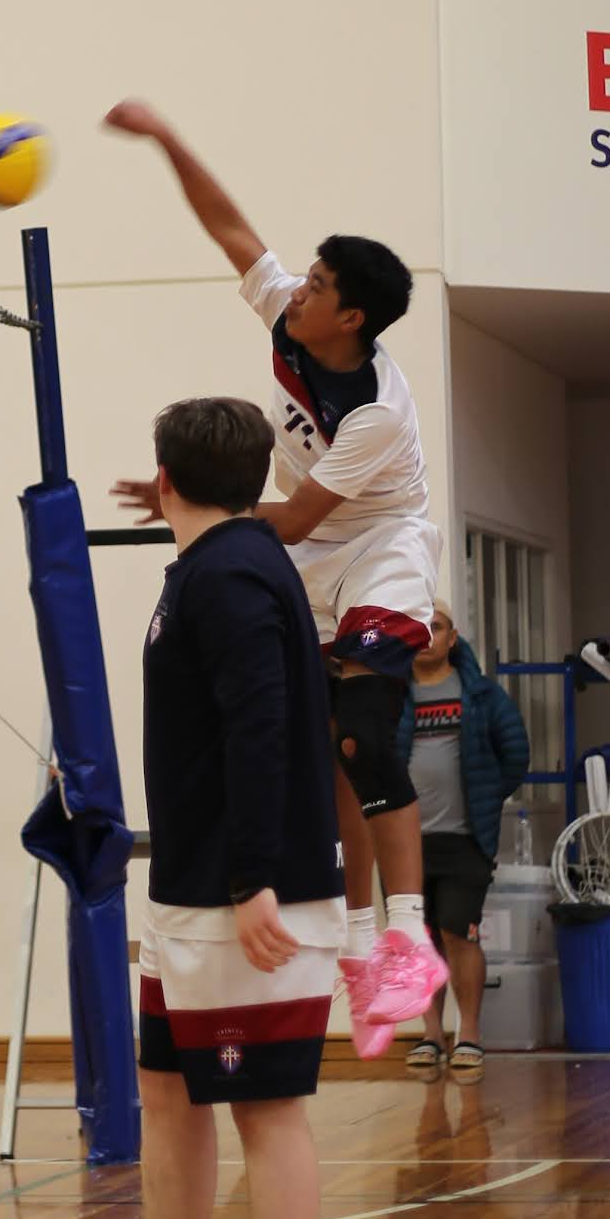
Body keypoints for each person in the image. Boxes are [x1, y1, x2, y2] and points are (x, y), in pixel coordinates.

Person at [101, 99, 448, 1058]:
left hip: (376, 546)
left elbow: (292, 519)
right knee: (325, 745)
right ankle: (354, 942)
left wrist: (193, 503)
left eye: (320, 284)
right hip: (305, 543)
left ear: (352, 318)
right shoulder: (294, 318)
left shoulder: (376, 412)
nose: (300, 288)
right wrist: (168, 139)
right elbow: (229, 228)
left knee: (362, 732)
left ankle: (409, 938)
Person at [72, 396, 344, 1219]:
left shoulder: (229, 575)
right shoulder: (219, 556)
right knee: (168, 1093)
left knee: (264, 1107)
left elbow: (259, 725)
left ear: (166, 478)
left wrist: (253, 877)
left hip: (249, 892)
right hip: (191, 889)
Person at [399, 603, 532, 1079]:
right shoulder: (392, 696)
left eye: (434, 627)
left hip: (464, 839)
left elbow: (515, 755)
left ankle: (468, 1033)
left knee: (459, 932)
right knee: (418, 939)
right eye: (417, 628)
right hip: (403, 844)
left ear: (452, 637)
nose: (426, 636)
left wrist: (485, 797)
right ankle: (431, 1034)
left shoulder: (481, 694)